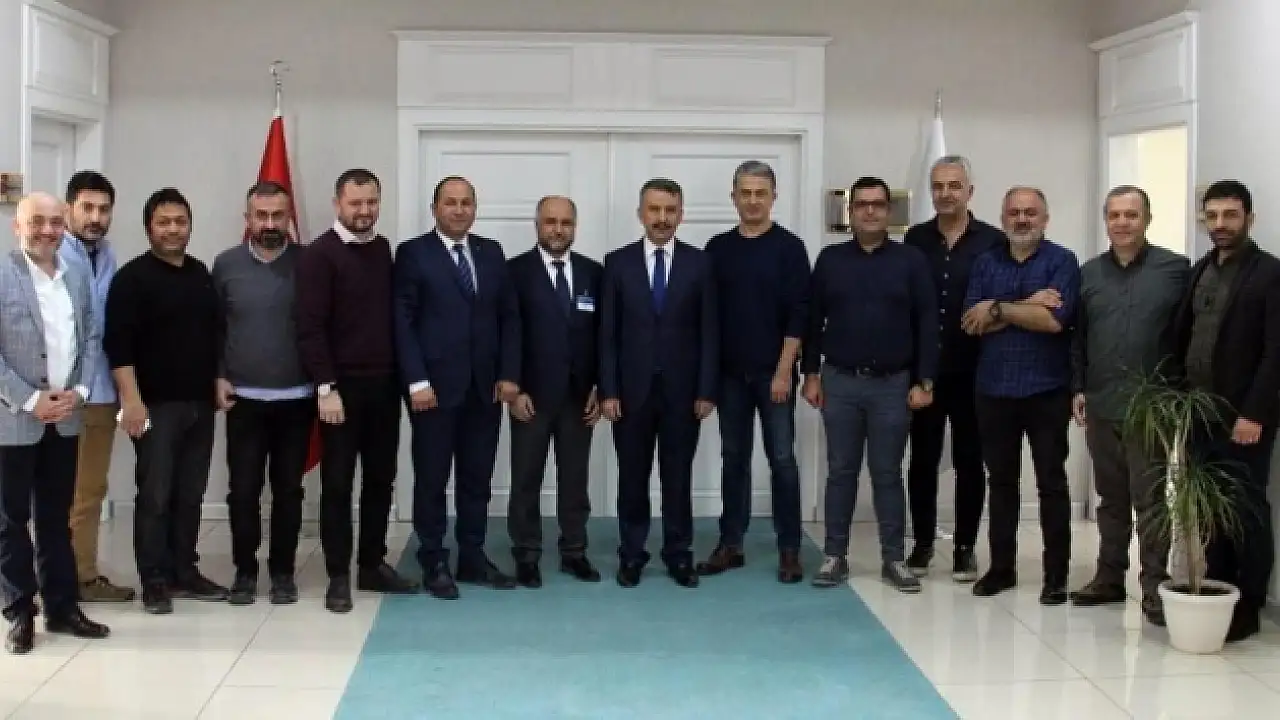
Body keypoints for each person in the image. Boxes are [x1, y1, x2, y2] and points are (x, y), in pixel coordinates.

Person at [803, 176, 938, 593]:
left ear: (888, 211)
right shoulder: (830, 260)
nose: (869, 211)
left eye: (877, 204)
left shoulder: (911, 260)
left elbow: (927, 322)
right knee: (841, 471)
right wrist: (810, 374)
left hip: (892, 386)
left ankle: (893, 558)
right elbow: (812, 320)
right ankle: (834, 556)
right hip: (839, 382)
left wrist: (925, 380)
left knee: (887, 473)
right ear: (851, 212)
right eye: (861, 204)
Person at [394, 175, 522, 600]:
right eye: (450, 202)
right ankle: (433, 558)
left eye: (466, 202)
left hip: (484, 390)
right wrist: (416, 380)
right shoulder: (414, 254)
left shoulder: (491, 252)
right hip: (432, 390)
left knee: (476, 479)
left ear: (475, 208)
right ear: (435, 208)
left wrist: (508, 373)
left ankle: (472, 556)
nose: (459, 209)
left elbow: (509, 317)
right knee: (432, 479)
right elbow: (403, 322)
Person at [296, 169, 416, 613]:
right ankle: (338, 576)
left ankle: (371, 564)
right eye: (355, 203)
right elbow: (310, 327)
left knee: (381, 480)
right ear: (337, 204)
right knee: (338, 484)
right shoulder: (319, 255)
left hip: (384, 386)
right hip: (340, 390)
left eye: (371, 202)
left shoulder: (383, 250)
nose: (364, 211)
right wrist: (325, 387)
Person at [104, 188, 229, 614]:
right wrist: (131, 400)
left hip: (200, 405)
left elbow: (214, 335)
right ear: (149, 228)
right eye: (164, 222)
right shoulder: (132, 279)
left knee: (190, 493)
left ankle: (184, 571)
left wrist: (218, 380)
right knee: (155, 495)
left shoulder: (200, 274)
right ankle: (154, 580)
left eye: (180, 221)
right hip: (154, 406)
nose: (173, 229)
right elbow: (118, 347)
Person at [1069, 185, 1188, 627]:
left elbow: (1188, 334)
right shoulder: (1089, 274)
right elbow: (1078, 338)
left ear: (1147, 219)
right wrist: (1079, 388)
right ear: (1106, 220)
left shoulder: (1175, 270)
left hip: (1152, 408)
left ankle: (1154, 585)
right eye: (1114, 215)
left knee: (1151, 500)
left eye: (1131, 215)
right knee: (1111, 499)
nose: (1122, 223)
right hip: (1102, 403)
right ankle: (1108, 577)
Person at [0, 192, 110, 654]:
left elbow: (90, 335)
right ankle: (19, 612)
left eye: (55, 222)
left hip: (65, 417)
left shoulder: (75, 274)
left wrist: (80, 391)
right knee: (10, 520)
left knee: (55, 517)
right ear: (17, 226)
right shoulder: (3, 273)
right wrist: (30, 401)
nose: (47, 230)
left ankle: (62, 608)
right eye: (37, 222)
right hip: (14, 420)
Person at [1171, 179, 1280, 642]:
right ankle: (1218, 592)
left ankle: (1249, 605)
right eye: (1212, 216)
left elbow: (1276, 353)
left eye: (1230, 215)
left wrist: (1255, 414)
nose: (1220, 224)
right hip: (1199, 414)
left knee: (1246, 510)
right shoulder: (1200, 270)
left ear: (1249, 219)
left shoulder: (1269, 273)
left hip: (1243, 418)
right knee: (1209, 507)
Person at [962, 186, 1080, 606]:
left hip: (1046, 390)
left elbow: (1053, 321)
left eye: (1031, 212)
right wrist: (1027, 304)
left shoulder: (1062, 261)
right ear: (1002, 218)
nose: (1022, 219)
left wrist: (998, 308)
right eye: (1014, 212)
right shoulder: (986, 262)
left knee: (1051, 483)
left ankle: (1056, 576)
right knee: (1001, 483)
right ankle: (1001, 569)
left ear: (1045, 219)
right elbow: (972, 323)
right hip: (993, 390)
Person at [600, 177, 718, 588]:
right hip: (630, 394)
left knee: (677, 479)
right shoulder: (617, 263)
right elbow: (607, 334)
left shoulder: (700, 264)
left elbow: (710, 332)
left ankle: (679, 554)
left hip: (684, 394)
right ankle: (632, 555)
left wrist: (706, 390)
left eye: (670, 210)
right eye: (654, 210)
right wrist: (609, 390)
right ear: (641, 214)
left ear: (681, 215)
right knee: (632, 478)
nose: (662, 218)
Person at [699, 160, 811, 583]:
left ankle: (789, 549)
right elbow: (708, 318)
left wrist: (784, 371)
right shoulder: (717, 250)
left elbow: (799, 314)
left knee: (782, 459)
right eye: (745, 193)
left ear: (773, 197)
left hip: (773, 374)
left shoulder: (790, 248)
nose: (752, 201)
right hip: (730, 377)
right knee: (734, 459)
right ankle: (731, 544)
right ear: (734, 198)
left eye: (760, 193)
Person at [213, 181, 316, 606]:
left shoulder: (310, 263)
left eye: (278, 215)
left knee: (288, 491)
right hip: (244, 399)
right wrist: (218, 376)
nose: (270, 223)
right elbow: (214, 327)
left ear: (290, 217)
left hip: (297, 398)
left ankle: (283, 572)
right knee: (243, 491)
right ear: (248, 219)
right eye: (262, 215)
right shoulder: (226, 265)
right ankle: (244, 570)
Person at [902, 155, 1003, 583]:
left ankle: (964, 548)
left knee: (970, 460)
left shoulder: (993, 241)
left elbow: (1004, 297)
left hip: (975, 370)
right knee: (922, 460)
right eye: (938, 186)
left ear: (969, 191)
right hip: (926, 369)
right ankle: (923, 543)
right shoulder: (915, 239)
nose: (945, 193)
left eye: (954, 186)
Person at [505, 195, 604, 587]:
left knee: (575, 480)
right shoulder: (514, 272)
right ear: (537, 225)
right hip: (531, 397)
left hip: (579, 397)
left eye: (565, 223)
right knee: (526, 478)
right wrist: (513, 389)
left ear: (575, 227)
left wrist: (601, 386)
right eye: (550, 222)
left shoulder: (594, 273)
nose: (558, 230)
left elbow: (604, 336)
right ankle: (526, 554)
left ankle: (574, 552)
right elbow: (507, 333)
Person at [58, 170, 135, 602]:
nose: (95, 217)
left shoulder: (106, 256)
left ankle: (80, 576)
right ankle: (61, 580)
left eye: (103, 209)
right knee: (57, 492)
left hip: (101, 393)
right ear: (68, 208)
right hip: (61, 395)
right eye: (86, 208)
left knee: (89, 492)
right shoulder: (52, 254)